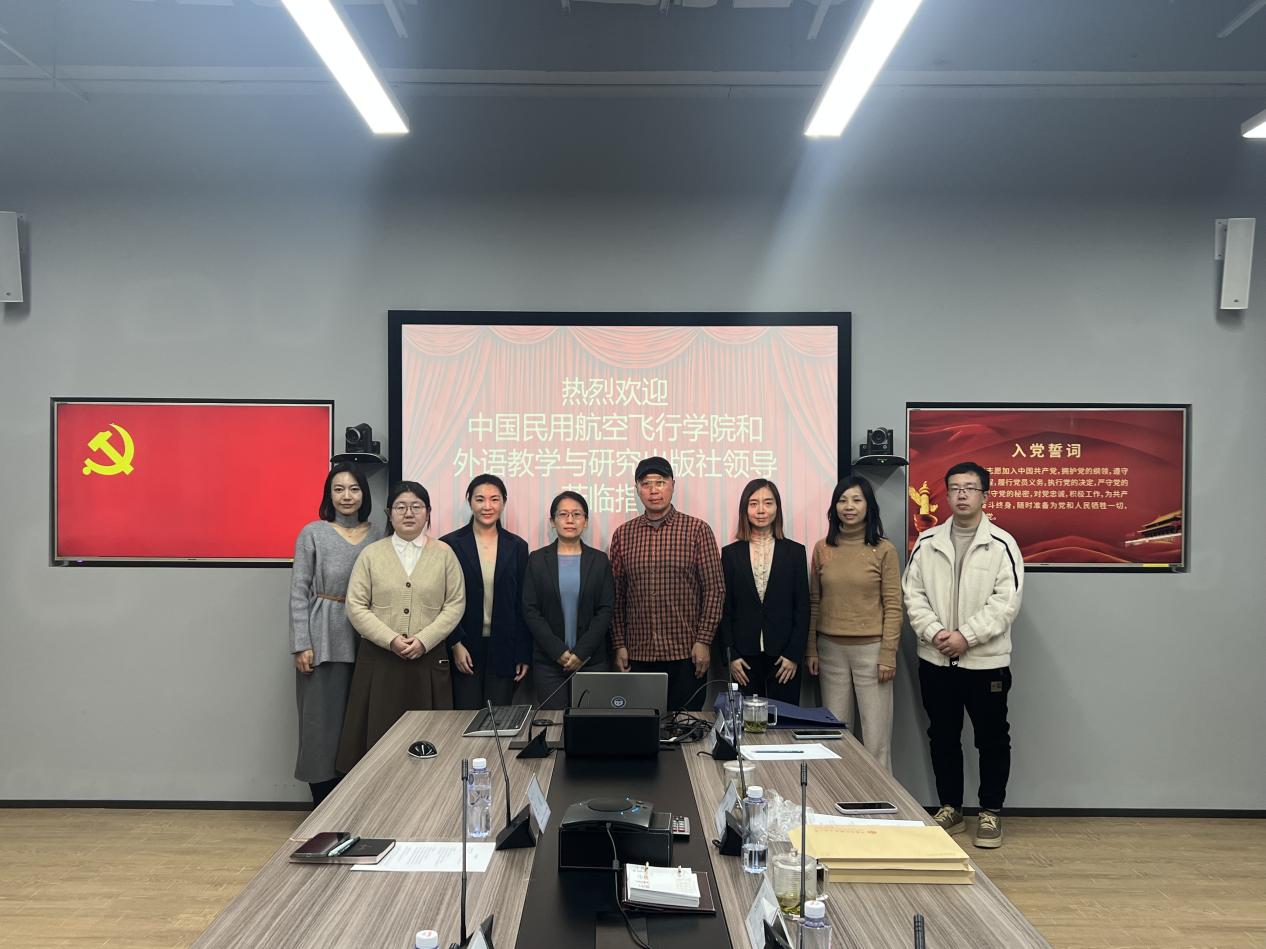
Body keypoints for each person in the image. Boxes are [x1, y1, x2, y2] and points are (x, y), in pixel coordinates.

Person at [903, 461, 1024, 849]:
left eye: (970, 488)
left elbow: (1006, 603)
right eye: (955, 488)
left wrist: (965, 637)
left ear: (984, 495)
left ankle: (990, 811)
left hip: (984, 663)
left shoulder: (1002, 544)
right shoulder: (927, 542)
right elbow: (913, 595)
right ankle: (950, 807)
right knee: (942, 736)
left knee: (991, 738)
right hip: (936, 659)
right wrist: (937, 633)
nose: (962, 495)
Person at [335, 481, 465, 773]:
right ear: (389, 513)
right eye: (401, 507)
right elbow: (356, 605)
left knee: (430, 742)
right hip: (380, 659)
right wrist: (391, 639)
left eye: (416, 506)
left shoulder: (444, 553)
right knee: (377, 743)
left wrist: (425, 639)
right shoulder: (371, 554)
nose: (409, 513)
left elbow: (455, 604)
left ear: (428, 512)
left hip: (428, 659)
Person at [288, 463, 376, 806]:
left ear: (364, 494)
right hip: (322, 637)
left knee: (360, 724)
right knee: (320, 724)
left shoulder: (380, 534)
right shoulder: (313, 533)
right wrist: (301, 644)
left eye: (354, 489)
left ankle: (356, 803)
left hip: (368, 638)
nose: (346, 496)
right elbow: (299, 591)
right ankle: (322, 804)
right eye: (338, 489)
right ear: (329, 495)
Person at [608, 456, 724, 712]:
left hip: (687, 652)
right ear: (637, 489)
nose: (653, 490)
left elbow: (715, 589)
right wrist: (619, 644)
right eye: (646, 484)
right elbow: (616, 595)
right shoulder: (623, 535)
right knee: (643, 726)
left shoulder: (697, 530)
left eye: (660, 482)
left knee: (686, 725)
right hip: (639, 653)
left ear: (673, 484)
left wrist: (704, 640)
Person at [805, 475, 902, 773]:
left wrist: (888, 653)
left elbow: (893, 605)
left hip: (872, 653)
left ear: (868, 506)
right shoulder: (822, 548)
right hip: (830, 651)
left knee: (876, 738)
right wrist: (811, 649)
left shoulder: (884, 550)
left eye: (856, 500)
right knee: (835, 735)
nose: (849, 507)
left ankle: (879, 796)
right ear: (834, 507)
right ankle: (838, 794)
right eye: (842, 500)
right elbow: (815, 602)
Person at [717, 479, 809, 705]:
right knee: (746, 721)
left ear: (777, 508)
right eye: (753, 503)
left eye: (768, 503)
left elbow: (803, 607)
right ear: (744, 509)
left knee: (784, 719)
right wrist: (731, 656)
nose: (761, 510)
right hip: (743, 658)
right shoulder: (730, 554)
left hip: (784, 656)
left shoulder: (795, 552)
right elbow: (724, 609)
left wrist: (793, 655)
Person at [522, 491, 614, 709]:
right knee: (553, 723)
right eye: (563, 514)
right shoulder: (537, 559)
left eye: (576, 514)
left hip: (591, 661)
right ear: (553, 521)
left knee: (590, 724)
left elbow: (605, 610)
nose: (570, 520)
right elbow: (530, 609)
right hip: (549, 662)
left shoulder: (600, 560)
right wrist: (558, 652)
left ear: (586, 521)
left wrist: (581, 653)